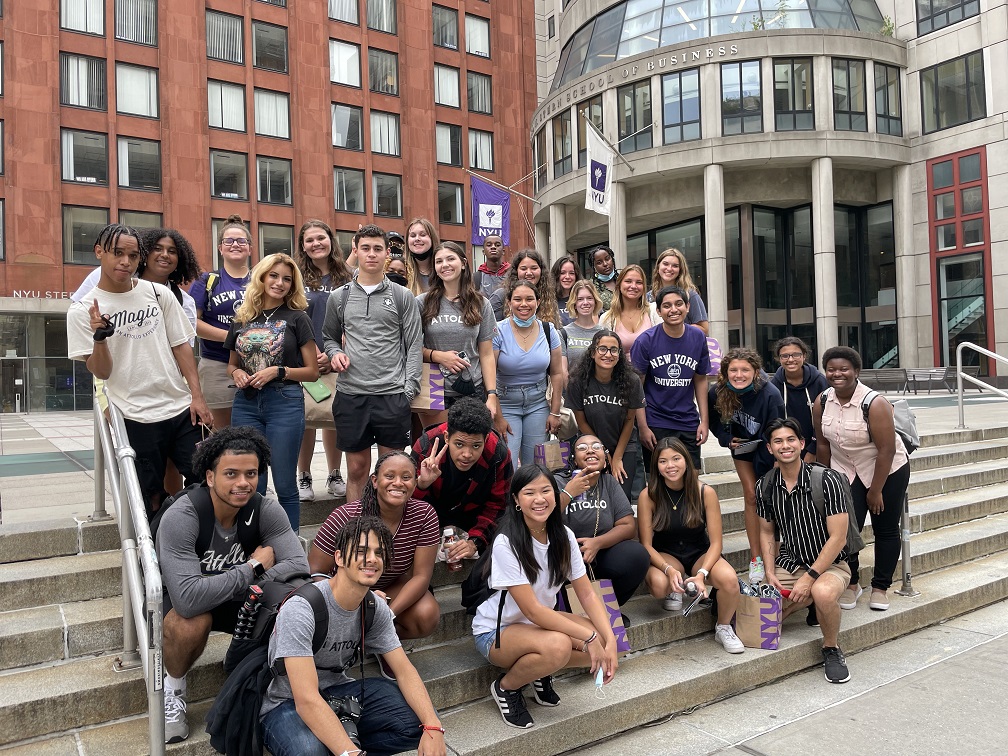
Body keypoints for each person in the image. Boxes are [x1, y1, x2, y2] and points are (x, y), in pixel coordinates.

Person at [156, 426, 310, 743]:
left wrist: (240, 582)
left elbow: (298, 566)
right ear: (210, 477)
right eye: (231, 473)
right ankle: (172, 688)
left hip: (233, 596)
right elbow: (187, 598)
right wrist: (252, 567)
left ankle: (245, 661)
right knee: (189, 622)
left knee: (293, 600)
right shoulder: (184, 515)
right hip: (187, 601)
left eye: (251, 473)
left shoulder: (264, 509)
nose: (243, 483)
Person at [260, 515, 446, 756]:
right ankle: (342, 747)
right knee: (310, 752)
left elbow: (404, 670)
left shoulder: (373, 607)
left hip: (339, 693)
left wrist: (433, 726)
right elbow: (305, 699)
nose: (371, 559)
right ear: (338, 558)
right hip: (287, 703)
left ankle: (342, 745)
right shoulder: (302, 608)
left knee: (418, 723)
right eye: (361, 551)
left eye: (379, 553)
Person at [67, 224, 213, 517]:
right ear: (99, 252)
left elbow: (182, 347)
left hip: (180, 407)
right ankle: (156, 557)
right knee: (149, 497)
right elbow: (102, 371)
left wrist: (197, 396)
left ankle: (197, 542)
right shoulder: (82, 310)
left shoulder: (159, 294)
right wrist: (100, 339)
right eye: (117, 253)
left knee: (210, 479)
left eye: (133, 255)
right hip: (134, 415)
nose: (125, 262)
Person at [473, 464, 618, 729]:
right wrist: (590, 637)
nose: (539, 499)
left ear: (556, 493)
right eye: (529, 493)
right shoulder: (508, 541)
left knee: (600, 648)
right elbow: (533, 611)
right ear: (516, 500)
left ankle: (540, 672)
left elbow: (586, 593)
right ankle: (506, 687)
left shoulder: (564, 535)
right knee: (562, 645)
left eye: (545, 491)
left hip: (539, 625)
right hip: (497, 631)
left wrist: (610, 641)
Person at [322, 224, 423, 504]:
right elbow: (328, 337)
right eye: (365, 248)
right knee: (356, 470)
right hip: (351, 394)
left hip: (392, 395)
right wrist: (334, 353)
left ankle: (390, 534)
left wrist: (408, 391)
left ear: (386, 253)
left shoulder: (403, 297)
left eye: (378, 248)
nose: (371, 254)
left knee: (392, 472)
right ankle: (357, 530)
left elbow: (414, 345)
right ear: (355, 250)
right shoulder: (339, 296)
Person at [225, 254, 319, 531]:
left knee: (285, 482)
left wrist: (278, 371)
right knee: (251, 480)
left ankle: (289, 547)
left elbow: (312, 372)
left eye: (287, 279)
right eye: (274, 276)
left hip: (284, 401)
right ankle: (252, 543)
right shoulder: (242, 318)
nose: (279, 283)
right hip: (246, 403)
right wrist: (237, 373)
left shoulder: (298, 318)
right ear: (262, 277)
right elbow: (231, 364)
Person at [814, 346, 910, 613]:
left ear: (856, 371)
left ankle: (880, 587)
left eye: (844, 369)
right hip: (845, 469)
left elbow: (887, 450)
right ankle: (852, 583)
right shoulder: (821, 401)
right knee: (843, 530)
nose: (837, 374)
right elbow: (822, 445)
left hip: (886, 469)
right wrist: (824, 479)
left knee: (886, 528)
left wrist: (875, 490)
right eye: (831, 369)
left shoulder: (874, 403)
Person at [757, 418, 853, 683]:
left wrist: (809, 578)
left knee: (822, 592)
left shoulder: (827, 480)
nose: (785, 446)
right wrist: (768, 572)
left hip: (831, 564)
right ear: (769, 448)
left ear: (801, 444)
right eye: (778, 441)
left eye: (790, 440)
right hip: (790, 562)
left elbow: (838, 538)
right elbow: (766, 531)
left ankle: (831, 647)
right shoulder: (765, 485)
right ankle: (806, 602)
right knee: (761, 612)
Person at [311, 452, 441, 641]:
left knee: (426, 614)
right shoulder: (346, 516)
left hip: (388, 589)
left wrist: (386, 615)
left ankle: (377, 642)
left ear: (415, 482)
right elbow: (314, 572)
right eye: (389, 476)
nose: (398, 483)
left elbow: (421, 576)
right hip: (344, 589)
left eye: (406, 477)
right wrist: (362, 599)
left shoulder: (424, 515)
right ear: (374, 480)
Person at [637, 437, 744, 653]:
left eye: (676, 459)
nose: (670, 466)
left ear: (686, 460)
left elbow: (716, 543)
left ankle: (723, 627)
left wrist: (703, 574)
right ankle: (675, 586)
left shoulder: (705, 492)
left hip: (700, 552)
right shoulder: (648, 495)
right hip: (666, 553)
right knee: (658, 586)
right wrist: (667, 570)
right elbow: (646, 545)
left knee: (730, 580)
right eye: (663, 461)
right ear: (656, 465)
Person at [708, 347, 785, 584]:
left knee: (770, 498)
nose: (739, 375)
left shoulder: (769, 394)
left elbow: (777, 431)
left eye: (745, 370)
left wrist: (775, 462)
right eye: (733, 370)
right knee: (751, 495)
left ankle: (778, 554)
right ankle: (756, 559)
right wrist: (725, 438)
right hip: (743, 449)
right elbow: (713, 422)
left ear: (755, 372)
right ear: (725, 371)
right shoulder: (718, 392)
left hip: (768, 450)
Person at [293, 220, 352, 503]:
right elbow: (290, 317)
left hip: (338, 358)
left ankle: (334, 473)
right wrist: (310, 354)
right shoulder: (295, 276)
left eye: (321, 238)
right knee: (305, 419)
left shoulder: (348, 276)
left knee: (333, 417)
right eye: (309, 240)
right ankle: (303, 475)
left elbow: (355, 320)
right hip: (303, 358)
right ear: (302, 246)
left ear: (331, 240)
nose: (316, 244)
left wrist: (334, 352)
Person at [554, 435, 649, 606]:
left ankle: (609, 609)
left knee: (637, 555)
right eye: (582, 448)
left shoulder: (609, 482)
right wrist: (569, 493)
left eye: (596, 446)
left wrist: (597, 543)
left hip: (600, 553)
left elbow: (628, 525)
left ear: (605, 459)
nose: (590, 450)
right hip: (563, 556)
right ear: (574, 460)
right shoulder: (558, 482)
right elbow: (543, 518)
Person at [411, 397, 513, 559]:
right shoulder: (426, 447)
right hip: (432, 511)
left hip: (475, 512)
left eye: (476, 446)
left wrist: (476, 541)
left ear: (485, 439)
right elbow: (407, 507)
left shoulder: (498, 454)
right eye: (459, 444)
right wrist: (421, 485)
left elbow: (498, 506)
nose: (467, 454)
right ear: (446, 437)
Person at [417, 241, 500, 427]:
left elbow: (486, 354)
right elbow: (409, 347)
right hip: (434, 389)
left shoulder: (481, 303)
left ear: (463, 263)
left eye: (450, 259)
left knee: (469, 451)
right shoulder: (422, 303)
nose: (444, 265)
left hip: (473, 389)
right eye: (439, 261)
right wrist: (438, 356)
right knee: (437, 447)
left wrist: (492, 394)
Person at [630, 285, 710, 471]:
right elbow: (636, 388)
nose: (673, 309)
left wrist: (704, 421)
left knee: (691, 478)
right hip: (655, 421)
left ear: (688, 307)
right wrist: (642, 426)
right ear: (658, 311)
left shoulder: (698, 337)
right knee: (658, 482)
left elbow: (700, 379)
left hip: (687, 421)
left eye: (678, 304)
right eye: (666, 306)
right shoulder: (645, 341)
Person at [189, 215, 253, 429]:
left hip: (257, 366)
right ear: (220, 248)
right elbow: (193, 324)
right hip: (217, 364)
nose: (235, 244)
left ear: (250, 248)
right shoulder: (205, 281)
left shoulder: (263, 282)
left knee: (254, 433)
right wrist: (231, 338)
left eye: (241, 241)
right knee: (220, 436)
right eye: (229, 241)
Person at [493, 281, 565, 466]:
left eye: (529, 299)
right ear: (509, 302)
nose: (523, 304)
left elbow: (557, 373)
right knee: (506, 464)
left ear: (538, 302)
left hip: (538, 403)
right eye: (517, 299)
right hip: (506, 402)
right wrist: (498, 417)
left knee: (536, 465)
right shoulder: (497, 331)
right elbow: (489, 374)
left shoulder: (549, 331)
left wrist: (555, 413)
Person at [566, 331, 645, 498]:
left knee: (621, 498)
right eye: (602, 349)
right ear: (593, 352)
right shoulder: (577, 381)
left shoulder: (631, 381)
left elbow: (630, 420)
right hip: (590, 447)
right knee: (594, 498)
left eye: (613, 350)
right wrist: (602, 451)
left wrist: (616, 457)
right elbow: (581, 422)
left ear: (619, 354)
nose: (608, 354)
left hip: (624, 447)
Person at [770, 336, 829, 462]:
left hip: (818, 446)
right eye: (784, 356)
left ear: (804, 356)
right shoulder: (774, 385)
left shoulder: (819, 381)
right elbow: (772, 421)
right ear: (778, 359)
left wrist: (813, 450)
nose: (790, 360)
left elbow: (828, 417)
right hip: (787, 448)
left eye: (796, 355)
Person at [489, 248, 561, 327]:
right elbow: (490, 332)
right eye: (523, 269)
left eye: (534, 268)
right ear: (516, 271)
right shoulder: (500, 296)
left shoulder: (548, 297)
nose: (529, 273)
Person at [600, 265, 661, 358]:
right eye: (628, 281)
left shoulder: (655, 310)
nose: (633, 286)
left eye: (639, 282)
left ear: (644, 287)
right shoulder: (607, 318)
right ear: (619, 285)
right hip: (622, 371)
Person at [647, 248, 709, 334]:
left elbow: (704, 329)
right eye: (665, 264)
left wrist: (677, 329)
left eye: (675, 266)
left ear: (680, 270)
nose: (669, 268)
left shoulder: (690, 294)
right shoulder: (649, 297)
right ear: (658, 267)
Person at [562, 281, 604, 369]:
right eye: (580, 299)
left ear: (595, 301)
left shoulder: (604, 333)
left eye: (589, 298)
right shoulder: (563, 333)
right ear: (574, 304)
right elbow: (563, 371)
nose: (585, 303)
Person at [403, 217, 439, 295]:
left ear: (432, 239)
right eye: (413, 236)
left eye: (423, 235)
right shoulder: (401, 271)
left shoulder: (442, 270)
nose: (417, 239)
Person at [551, 256, 581, 326]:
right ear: (556, 275)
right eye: (562, 273)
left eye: (571, 273)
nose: (567, 277)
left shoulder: (583, 298)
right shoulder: (549, 300)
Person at [589, 246, 618, 311]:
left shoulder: (623, 280)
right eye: (599, 262)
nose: (605, 264)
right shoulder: (590, 287)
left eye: (607, 259)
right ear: (594, 267)